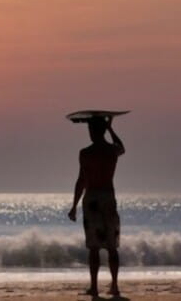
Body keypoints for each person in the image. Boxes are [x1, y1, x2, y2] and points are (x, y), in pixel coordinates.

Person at [68, 116, 125, 297]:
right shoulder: (111, 151)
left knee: (94, 246)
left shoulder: (85, 153)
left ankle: (94, 287)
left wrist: (74, 205)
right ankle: (114, 286)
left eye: (91, 130)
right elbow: (122, 147)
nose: (90, 133)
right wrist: (110, 128)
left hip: (92, 198)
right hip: (108, 197)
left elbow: (81, 181)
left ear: (94, 131)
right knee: (111, 246)